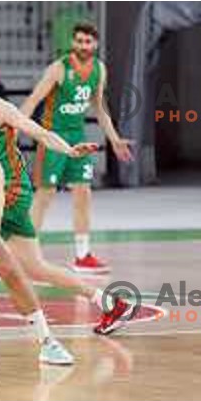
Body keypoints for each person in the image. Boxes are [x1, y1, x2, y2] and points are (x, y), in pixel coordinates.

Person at [0, 41, 133, 334]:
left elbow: (39, 132)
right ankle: (110, 302)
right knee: (35, 268)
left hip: (10, 195)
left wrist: (67, 150)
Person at [20, 22, 134, 273]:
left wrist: (114, 139)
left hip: (78, 138)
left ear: (95, 44)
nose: (83, 46)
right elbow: (33, 99)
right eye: (79, 41)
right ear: (73, 42)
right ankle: (25, 251)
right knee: (45, 194)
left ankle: (82, 255)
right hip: (53, 137)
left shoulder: (99, 70)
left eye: (88, 42)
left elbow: (99, 108)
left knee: (83, 193)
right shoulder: (59, 69)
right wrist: (14, 126)